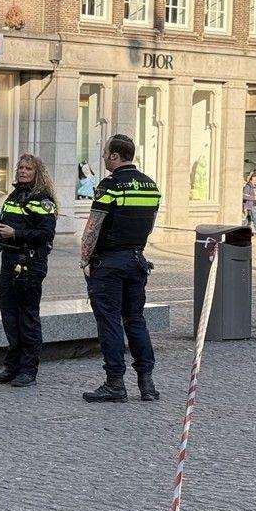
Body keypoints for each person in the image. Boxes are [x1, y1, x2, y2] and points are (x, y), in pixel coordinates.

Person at [80, 134, 162, 403]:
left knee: (110, 321)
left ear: (115, 156)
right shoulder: (151, 186)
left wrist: (85, 260)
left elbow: (94, 226)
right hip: (136, 259)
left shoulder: (110, 185)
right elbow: (148, 225)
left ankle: (115, 383)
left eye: (106, 153)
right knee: (135, 319)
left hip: (109, 263)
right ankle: (146, 383)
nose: (104, 157)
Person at [0, 154, 58, 388]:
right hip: (9, 261)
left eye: (28, 168)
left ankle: (28, 369)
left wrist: (15, 234)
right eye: (20, 167)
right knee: (9, 315)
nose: (22, 171)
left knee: (27, 317)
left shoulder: (43, 200)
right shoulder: (15, 195)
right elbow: (9, 222)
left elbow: (46, 234)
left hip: (30, 263)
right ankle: (12, 365)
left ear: (37, 172)